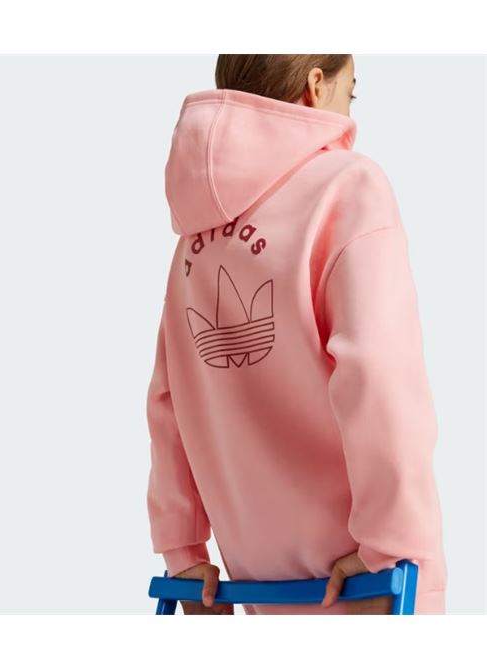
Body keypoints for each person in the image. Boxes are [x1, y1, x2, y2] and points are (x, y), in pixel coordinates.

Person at [145, 54, 448, 614]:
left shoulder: (194, 237)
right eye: (350, 93)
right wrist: (391, 549)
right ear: (315, 87)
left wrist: (181, 549)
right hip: (362, 586)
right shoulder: (348, 188)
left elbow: (169, 398)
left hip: (256, 591)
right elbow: (380, 376)